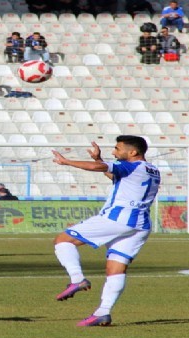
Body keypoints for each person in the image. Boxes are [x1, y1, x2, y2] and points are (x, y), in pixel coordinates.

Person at [51, 137, 160, 326]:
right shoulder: (152, 169)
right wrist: (97, 160)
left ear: (133, 152)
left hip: (118, 219)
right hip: (140, 225)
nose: (114, 152)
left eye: (117, 149)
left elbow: (99, 169)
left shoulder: (131, 166)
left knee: (63, 240)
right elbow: (116, 177)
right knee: (115, 269)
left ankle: (77, 279)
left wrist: (67, 162)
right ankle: (103, 312)